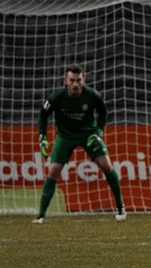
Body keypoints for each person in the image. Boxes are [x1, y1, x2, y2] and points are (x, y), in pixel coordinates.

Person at [34, 64, 126, 223]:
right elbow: (43, 115)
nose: (75, 84)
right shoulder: (57, 97)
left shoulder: (92, 95)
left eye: (78, 80)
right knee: (53, 170)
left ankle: (120, 206)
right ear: (65, 81)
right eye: (72, 80)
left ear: (83, 81)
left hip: (88, 134)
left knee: (106, 165)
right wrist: (42, 137)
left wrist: (98, 133)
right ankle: (41, 215)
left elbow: (103, 111)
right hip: (65, 136)